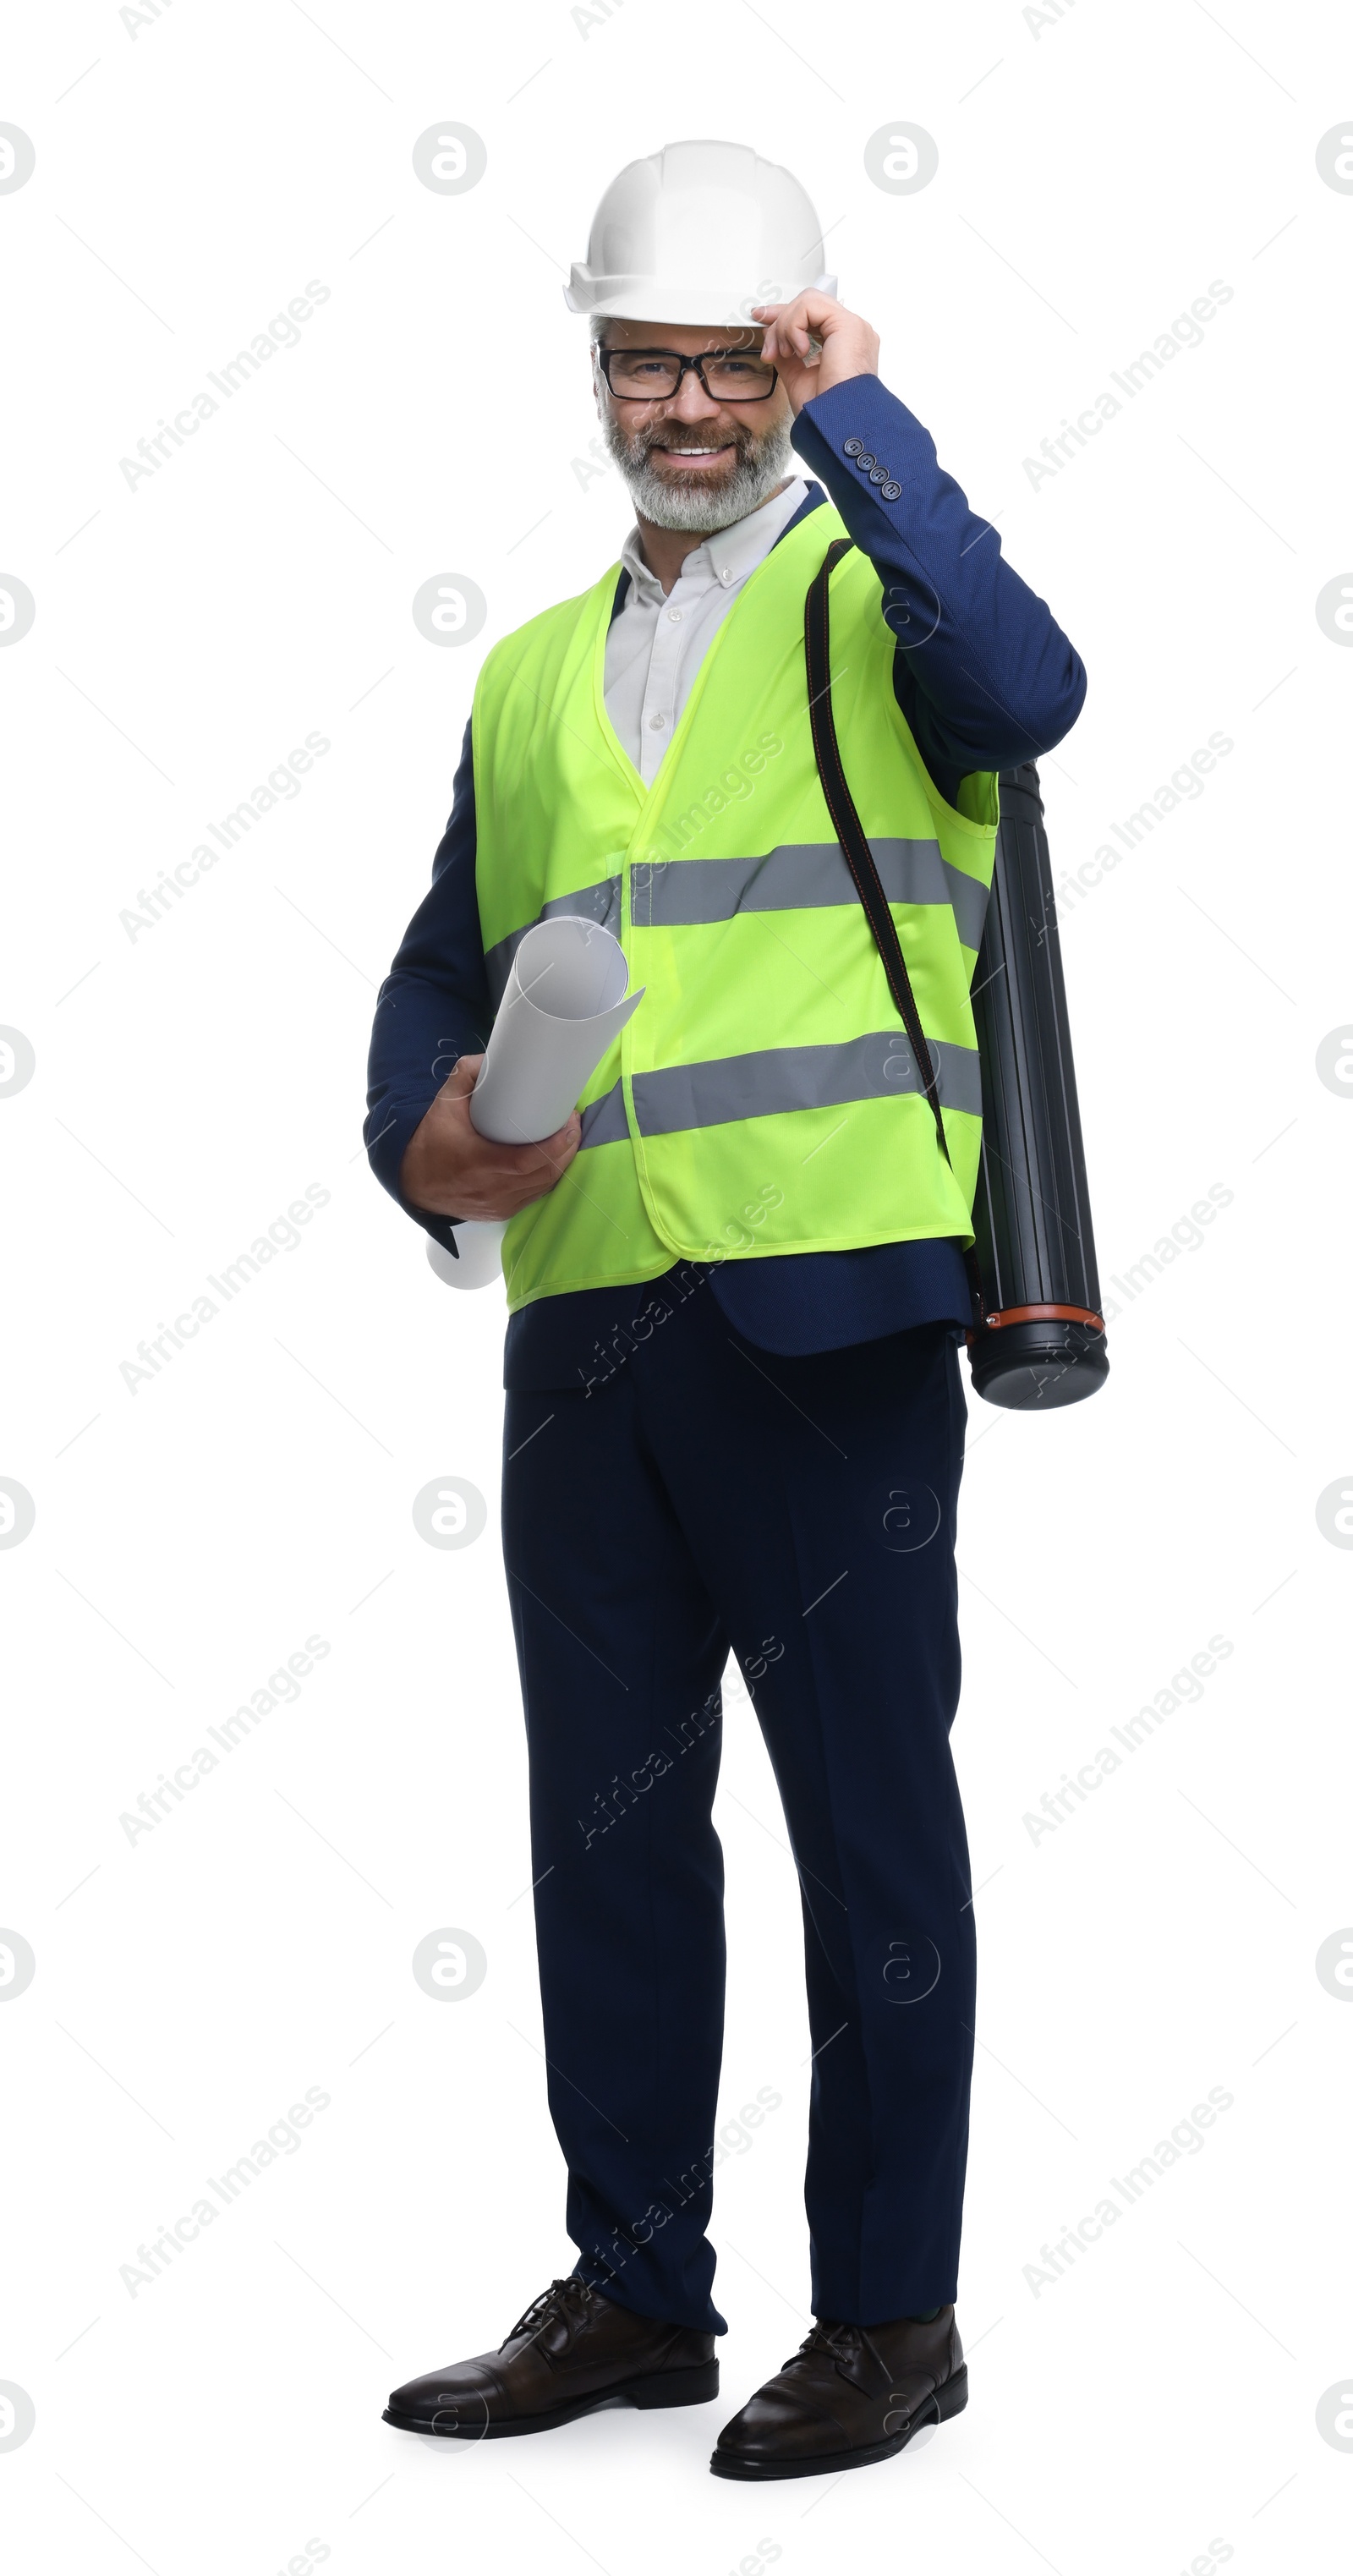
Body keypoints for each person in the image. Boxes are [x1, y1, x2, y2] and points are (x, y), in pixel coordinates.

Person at [366, 139, 1086, 2480]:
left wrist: (867, 419)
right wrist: (426, 1144)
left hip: (830, 1306)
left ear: (794, 350)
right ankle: (638, 2290)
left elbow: (1033, 681)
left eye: (734, 358)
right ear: (597, 367)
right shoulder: (530, 670)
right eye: (647, 359)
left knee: (870, 1828)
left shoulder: (884, 597)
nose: (689, 403)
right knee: (608, 1828)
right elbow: (437, 976)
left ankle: (891, 2316)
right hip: (583, 1328)